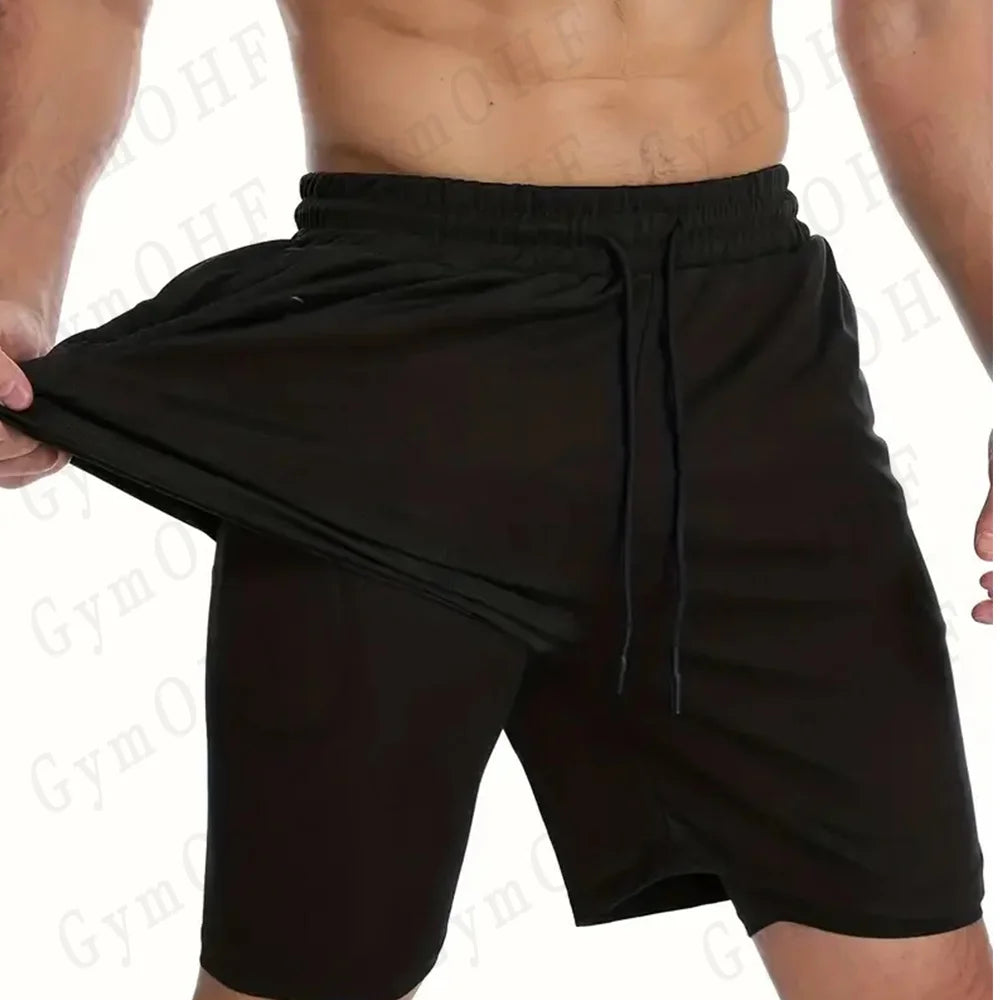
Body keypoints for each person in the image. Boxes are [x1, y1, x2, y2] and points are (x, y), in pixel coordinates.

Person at [0, 1, 992, 998]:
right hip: (394, 381)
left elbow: (917, 17)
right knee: (304, 970)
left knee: (913, 961)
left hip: (748, 371)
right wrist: (13, 289)